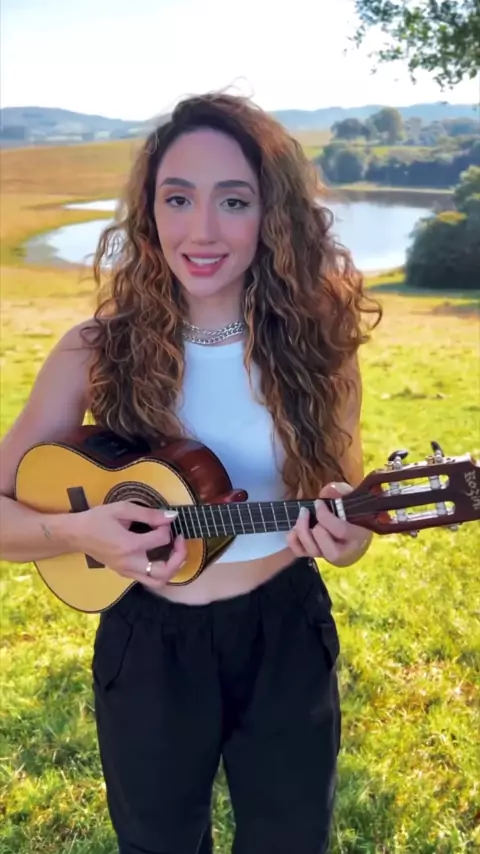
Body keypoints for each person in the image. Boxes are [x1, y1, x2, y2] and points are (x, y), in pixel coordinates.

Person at [0, 91, 382, 854]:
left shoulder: (320, 351)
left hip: (285, 629)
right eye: (178, 198)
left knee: (291, 840)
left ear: (273, 215)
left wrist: (348, 538)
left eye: (233, 200)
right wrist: (78, 532)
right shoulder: (94, 350)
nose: (201, 231)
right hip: (149, 642)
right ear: (149, 212)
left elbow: (348, 512)